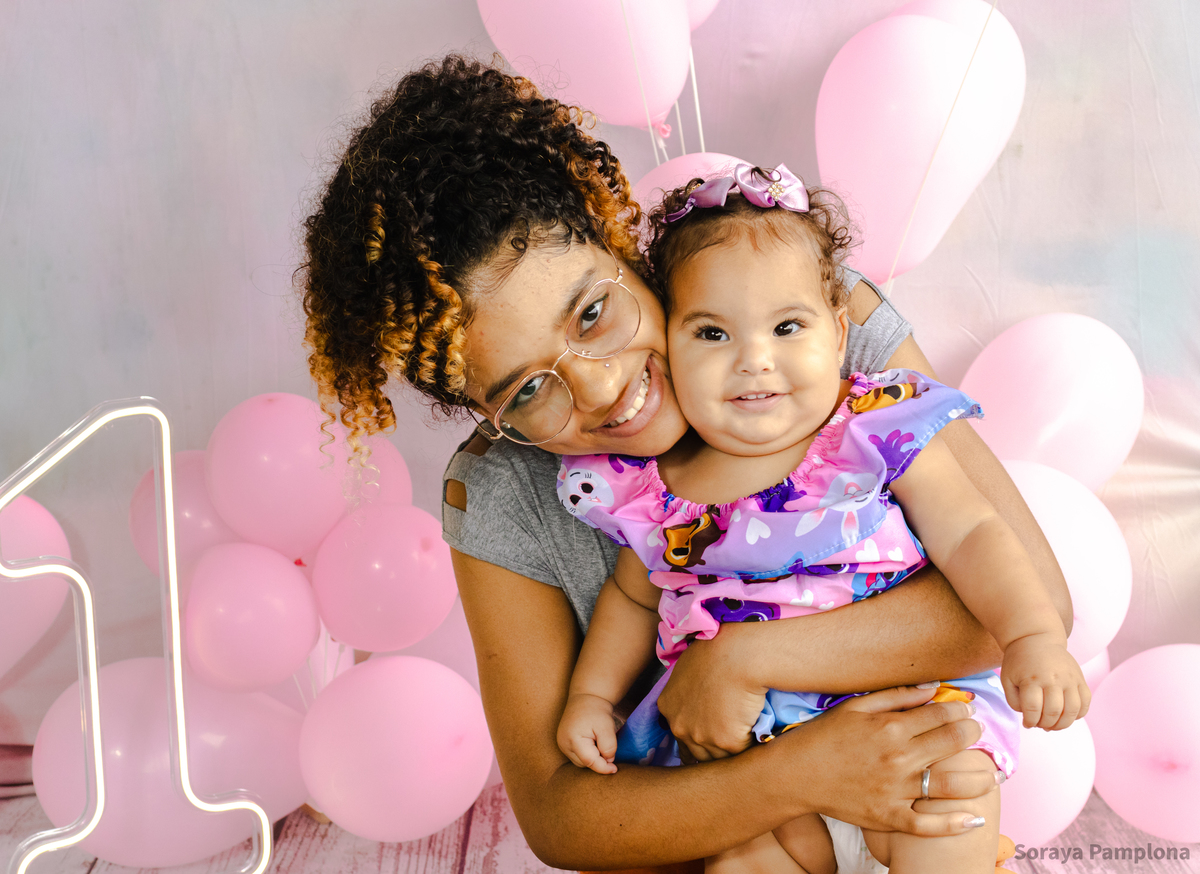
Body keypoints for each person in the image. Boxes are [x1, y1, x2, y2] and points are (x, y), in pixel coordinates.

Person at [299, 54, 1073, 872]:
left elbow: (1026, 594)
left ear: (615, 239)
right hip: (733, 831)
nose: (601, 388)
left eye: (593, 313)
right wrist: (795, 773)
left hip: (914, 768)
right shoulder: (514, 493)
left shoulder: (793, 311)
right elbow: (561, 817)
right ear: (485, 416)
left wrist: (741, 659)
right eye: (527, 391)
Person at [552, 166, 1089, 873]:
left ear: (837, 335)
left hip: (907, 719)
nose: (754, 360)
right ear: (669, 349)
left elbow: (972, 532)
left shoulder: (871, 428)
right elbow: (630, 598)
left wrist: (1031, 635)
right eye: (712, 333)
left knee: (955, 794)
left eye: (786, 327)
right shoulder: (657, 490)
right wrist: (593, 697)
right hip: (749, 760)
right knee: (737, 859)